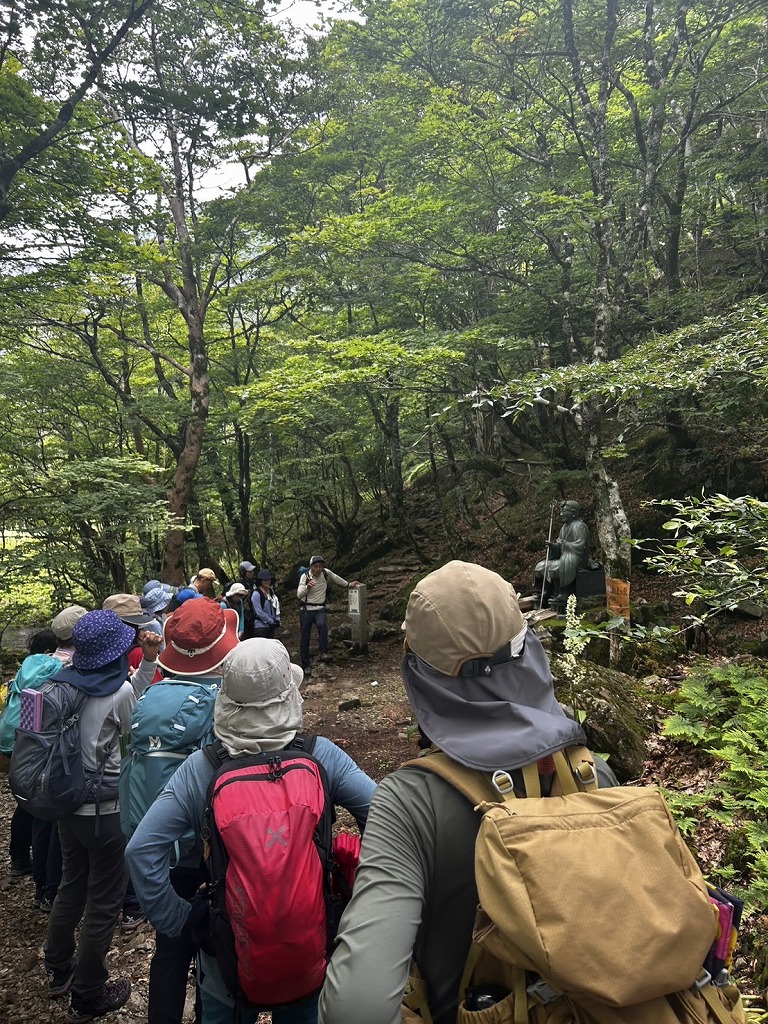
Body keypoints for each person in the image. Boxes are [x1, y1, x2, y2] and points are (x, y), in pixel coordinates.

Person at [319, 560, 616, 1024]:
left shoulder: (408, 804)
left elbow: (355, 1010)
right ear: (529, 654)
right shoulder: (590, 774)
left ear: (418, 674)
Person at [126, 637, 376, 1024]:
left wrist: (179, 919)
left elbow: (141, 850)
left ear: (226, 699)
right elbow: (380, 814)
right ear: (289, 695)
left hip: (226, 953)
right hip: (308, 946)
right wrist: (359, 892)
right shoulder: (321, 755)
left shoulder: (201, 769)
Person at [43, 611, 161, 1024]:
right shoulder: (117, 692)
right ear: (114, 653)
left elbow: (127, 698)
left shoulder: (57, 683)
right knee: (105, 901)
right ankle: (88, 993)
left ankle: (58, 966)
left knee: (71, 884)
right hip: (106, 812)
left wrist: (147, 663)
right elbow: (134, 728)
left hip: (66, 804)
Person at [133, 599, 240, 1024]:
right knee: (218, 941)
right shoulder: (222, 701)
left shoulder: (150, 696)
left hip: (163, 841)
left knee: (170, 949)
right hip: (210, 846)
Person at [297, 556, 358, 676]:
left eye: (320, 566)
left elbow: (336, 579)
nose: (318, 569)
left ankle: (323, 652)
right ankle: (306, 665)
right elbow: (299, 595)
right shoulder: (305, 576)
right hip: (306, 610)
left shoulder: (326, 573)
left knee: (322, 626)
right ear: (311, 567)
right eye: (316, 566)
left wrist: (348, 584)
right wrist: (307, 587)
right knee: (305, 637)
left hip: (320, 608)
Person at [532, 500, 590, 609]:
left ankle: (564, 593)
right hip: (564, 556)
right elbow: (559, 545)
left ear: (573, 513)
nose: (561, 514)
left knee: (560, 566)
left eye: (564, 511)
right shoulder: (564, 527)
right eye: (561, 511)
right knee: (542, 565)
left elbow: (580, 546)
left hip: (576, 558)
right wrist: (553, 546)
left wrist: (563, 544)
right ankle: (547, 591)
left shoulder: (579, 526)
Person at [251, 569, 281, 640]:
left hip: (271, 626)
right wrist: (271, 621)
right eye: (264, 580)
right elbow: (259, 612)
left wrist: (277, 619)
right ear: (260, 581)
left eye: (268, 579)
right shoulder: (256, 594)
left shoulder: (271, 592)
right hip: (260, 627)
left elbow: (276, 607)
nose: (267, 581)